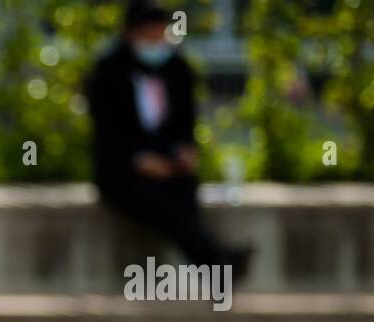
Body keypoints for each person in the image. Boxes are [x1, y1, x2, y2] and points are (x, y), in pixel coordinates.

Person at [87, 0, 252, 276]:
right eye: (149, 35)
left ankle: (215, 264)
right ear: (130, 34)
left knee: (183, 188)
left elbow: (184, 124)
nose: (156, 42)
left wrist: (183, 151)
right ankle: (217, 264)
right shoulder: (107, 73)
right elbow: (108, 132)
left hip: (169, 164)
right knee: (158, 199)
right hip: (123, 170)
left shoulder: (177, 70)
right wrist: (139, 160)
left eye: (160, 34)